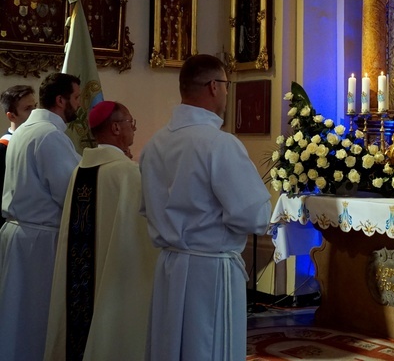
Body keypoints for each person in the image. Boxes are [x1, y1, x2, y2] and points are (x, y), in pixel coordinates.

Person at [140, 54, 271, 361]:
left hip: (170, 266)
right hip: (210, 271)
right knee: (210, 349)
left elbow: (147, 207)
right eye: (226, 85)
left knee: (170, 347)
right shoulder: (219, 144)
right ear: (214, 86)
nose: (227, 93)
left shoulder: (154, 144)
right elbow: (254, 215)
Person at [44, 101, 158, 361]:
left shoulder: (80, 170)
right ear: (116, 127)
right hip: (117, 277)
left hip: (81, 280)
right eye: (131, 122)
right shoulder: (128, 173)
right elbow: (143, 233)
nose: (134, 128)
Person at [0, 72, 81, 361]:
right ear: (61, 101)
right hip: (40, 242)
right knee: (37, 320)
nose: (79, 105)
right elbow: (70, 192)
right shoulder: (49, 137)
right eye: (76, 98)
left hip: (19, 235)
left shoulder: (22, 131)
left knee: (15, 317)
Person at [0, 84, 37, 227]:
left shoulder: (40, 141)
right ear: (11, 116)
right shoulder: (4, 147)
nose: (35, 113)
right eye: (28, 109)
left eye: (35, 106)